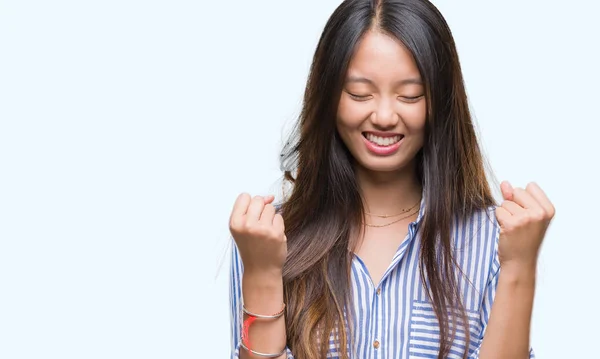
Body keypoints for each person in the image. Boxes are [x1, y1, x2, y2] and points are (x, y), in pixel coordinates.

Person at [228, 0, 555, 358]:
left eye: (410, 95)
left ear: (440, 103)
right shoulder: (267, 238)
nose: (384, 116)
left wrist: (520, 267)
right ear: (328, 97)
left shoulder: (493, 240)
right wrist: (261, 272)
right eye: (360, 93)